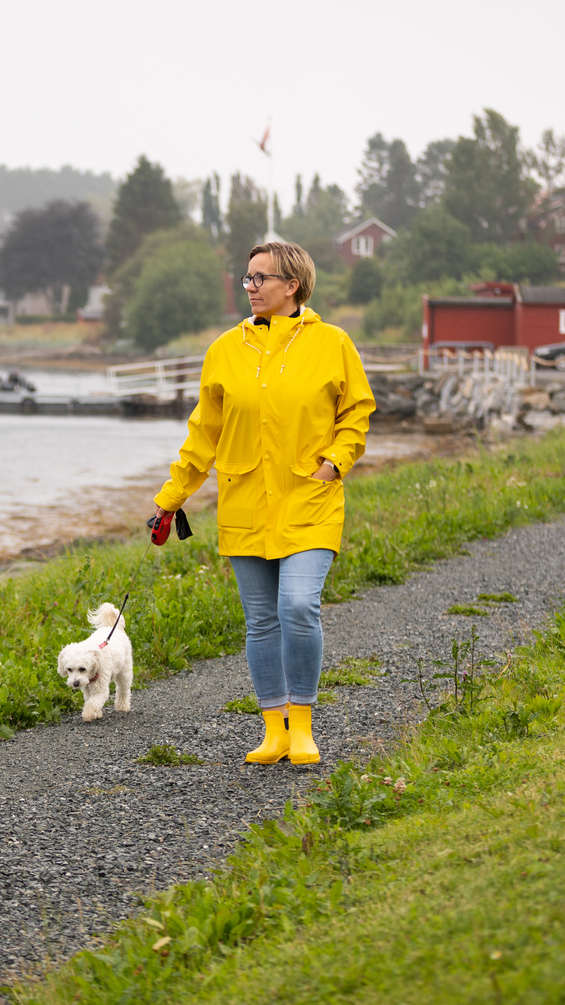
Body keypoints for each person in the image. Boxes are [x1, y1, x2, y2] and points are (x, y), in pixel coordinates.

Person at [151, 241, 374, 765]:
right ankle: (274, 729)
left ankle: (304, 726)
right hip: (245, 502)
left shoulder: (333, 343)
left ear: (291, 285)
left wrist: (334, 464)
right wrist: (170, 500)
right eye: (246, 278)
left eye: (259, 279)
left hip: (310, 499)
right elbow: (204, 434)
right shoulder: (225, 349)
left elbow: (357, 413)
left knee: (298, 606)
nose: (248, 287)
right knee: (261, 622)